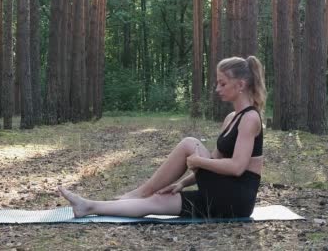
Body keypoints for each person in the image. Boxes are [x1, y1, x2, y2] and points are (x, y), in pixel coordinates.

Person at [58, 55, 266, 218]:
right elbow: (214, 163)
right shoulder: (231, 117)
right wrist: (183, 183)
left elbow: (237, 167)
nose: (217, 89)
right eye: (217, 83)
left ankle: (140, 192)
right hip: (220, 193)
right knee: (157, 201)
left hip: (236, 198)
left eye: (222, 83)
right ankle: (88, 206)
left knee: (189, 143)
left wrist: (197, 160)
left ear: (240, 85)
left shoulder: (250, 119)